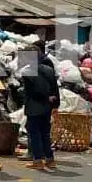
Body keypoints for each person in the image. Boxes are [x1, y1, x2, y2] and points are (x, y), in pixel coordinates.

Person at [20, 42, 60, 170]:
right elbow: (55, 89)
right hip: (47, 108)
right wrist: (54, 104)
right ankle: (50, 160)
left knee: (34, 134)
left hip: (34, 107)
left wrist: (45, 97)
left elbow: (32, 92)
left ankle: (37, 160)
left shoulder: (27, 72)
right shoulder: (48, 70)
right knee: (45, 133)